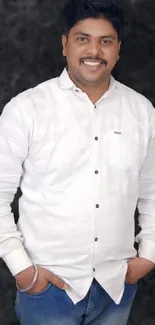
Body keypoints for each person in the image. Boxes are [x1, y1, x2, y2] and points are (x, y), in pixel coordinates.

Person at [0, 0, 155, 324]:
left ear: (118, 49)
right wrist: (24, 270)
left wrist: (148, 255)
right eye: (83, 38)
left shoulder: (143, 111)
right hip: (47, 290)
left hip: (117, 289)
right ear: (65, 44)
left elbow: (152, 191)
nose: (94, 51)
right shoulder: (26, 109)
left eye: (105, 41)